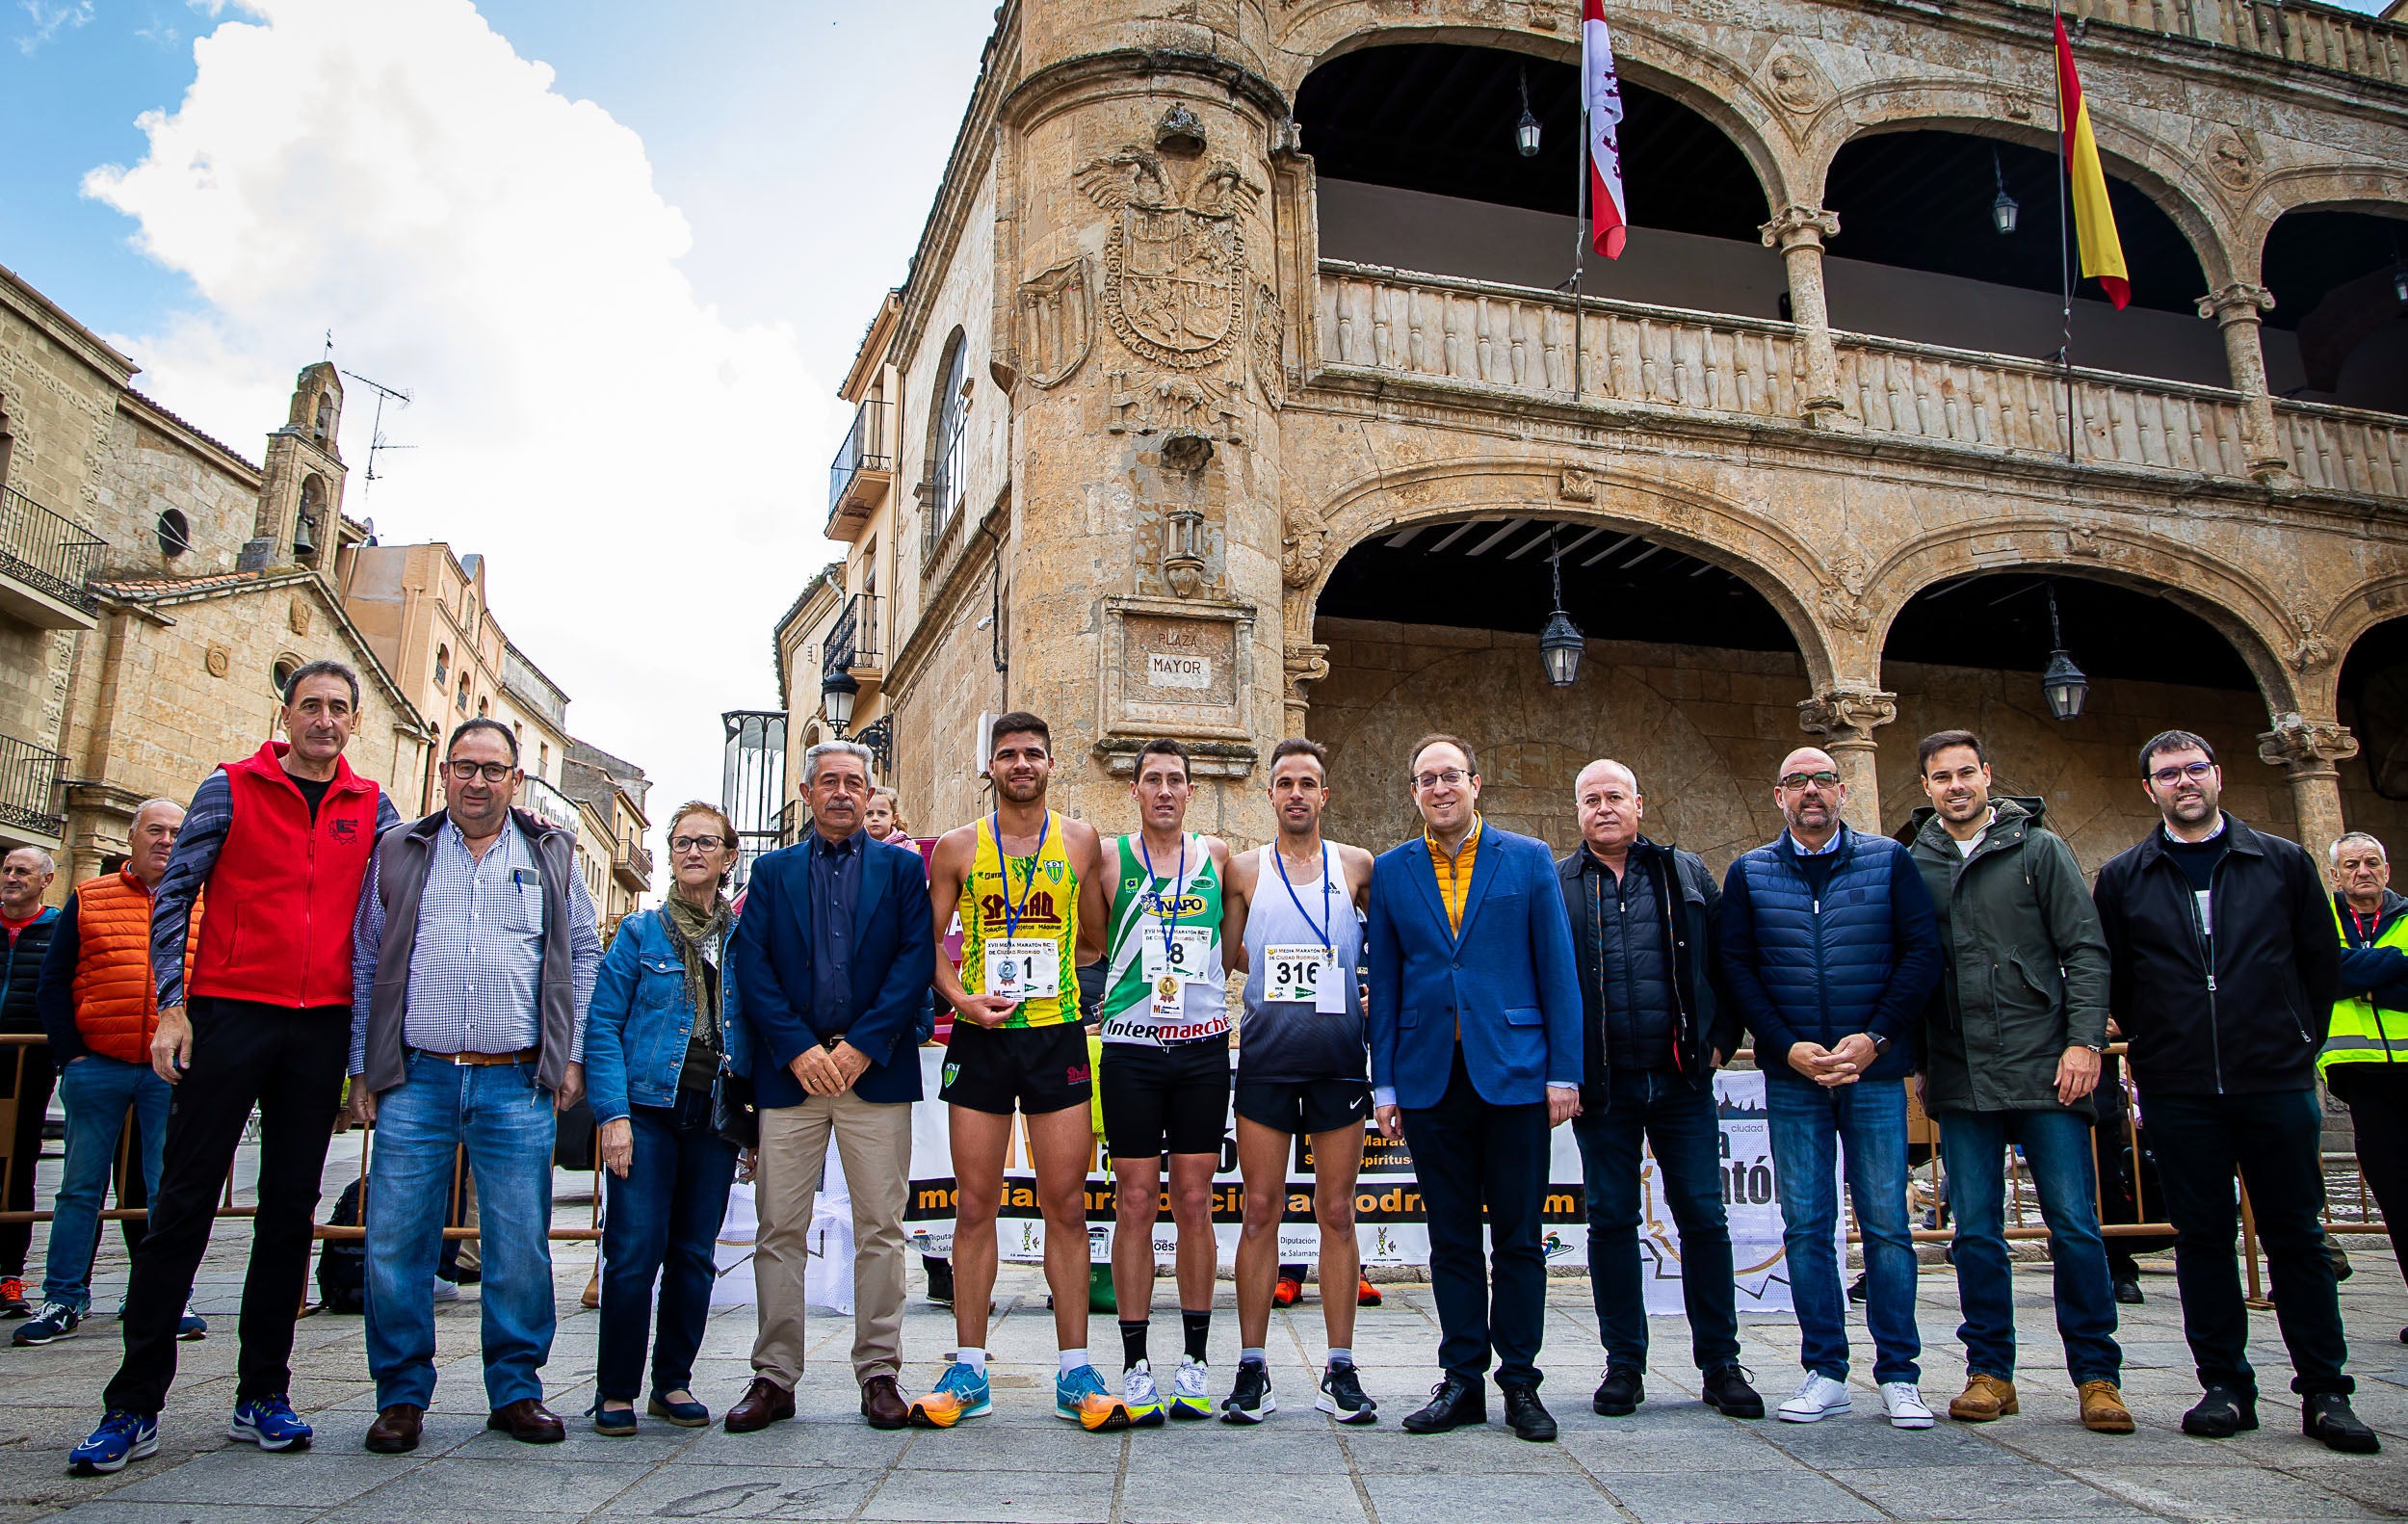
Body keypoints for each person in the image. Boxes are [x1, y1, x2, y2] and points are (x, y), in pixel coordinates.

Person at [70, 662, 402, 1475]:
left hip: (319, 1026)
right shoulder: (230, 787)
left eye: (338, 710)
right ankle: (132, 1404)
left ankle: (263, 1393)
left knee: (289, 1212)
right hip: (229, 1014)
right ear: (286, 714)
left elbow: (391, 915)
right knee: (180, 1205)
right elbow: (175, 894)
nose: (324, 720)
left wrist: (365, 1055)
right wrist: (173, 1006)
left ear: (354, 724)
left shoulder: (374, 808)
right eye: (310, 706)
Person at [2091, 730, 2378, 1452]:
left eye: (2194, 769)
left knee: (2298, 1239)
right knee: (2203, 1240)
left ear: (2218, 776)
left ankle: (2325, 1390)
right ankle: (2224, 1384)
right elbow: (2119, 978)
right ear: (2148, 789)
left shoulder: (2280, 862)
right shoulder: (2125, 878)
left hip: (2273, 1081)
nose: (2182, 782)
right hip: (2181, 1087)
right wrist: (2155, 1052)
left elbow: (2318, 965)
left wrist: (2293, 1045)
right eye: (2167, 773)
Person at [346, 718, 602, 1455]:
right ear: (444, 773)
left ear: (515, 780)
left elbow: (582, 950)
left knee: (520, 1242)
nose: (478, 782)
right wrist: (364, 1063)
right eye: (465, 767)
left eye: (494, 770)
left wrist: (571, 1053)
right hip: (417, 1077)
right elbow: (367, 956)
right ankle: (400, 1397)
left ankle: (516, 1390)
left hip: (515, 1079)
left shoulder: (551, 850)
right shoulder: (401, 849)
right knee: (397, 1239)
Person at [1904, 731, 2132, 1434]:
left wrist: (2084, 1041)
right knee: (1974, 1231)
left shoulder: (2039, 848)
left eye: (1966, 773)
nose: (1955, 786)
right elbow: (1908, 968)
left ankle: (2097, 1376)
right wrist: (1917, 1059)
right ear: (1926, 787)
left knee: (2074, 1225)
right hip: (1962, 1071)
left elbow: (2085, 950)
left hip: (2047, 1068)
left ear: (1988, 776)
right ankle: (1989, 1372)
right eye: (1941, 777)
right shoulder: (1915, 863)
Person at [1368, 734, 1582, 1442]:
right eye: (1426, 779)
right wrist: (1386, 1083)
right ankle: (1461, 1380)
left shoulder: (1526, 859)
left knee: (1518, 1239)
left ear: (1475, 783)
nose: (1439, 789)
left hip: (1516, 1074)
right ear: (1413, 793)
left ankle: (1520, 1383)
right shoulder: (1395, 871)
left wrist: (1563, 1072)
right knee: (1451, 1238)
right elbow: (1389, 985)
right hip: (1430, 1080)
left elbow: (1557, 969)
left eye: (1450, 776)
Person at [1720, 746, 1941, 1430]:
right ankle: (1826, 1370)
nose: (1809, 792)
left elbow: (1920, 953)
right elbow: (1737, 968)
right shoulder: (1751, 873)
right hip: (1794, 1078)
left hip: (1872, 1073)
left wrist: (1872, 1037)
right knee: (1809, 1227)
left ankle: (1900, 1375)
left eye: (1821, 780)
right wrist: (1786, 1047)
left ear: (1843, 791)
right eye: (1795, 782)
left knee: (1886, 1227)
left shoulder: (1888, 862)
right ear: (1777, 796)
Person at [910, 712, 1112, 1430]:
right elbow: (927, 943)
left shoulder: (1081, 840)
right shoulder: (960, 848)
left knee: (1066, 1203)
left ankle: (1075, 1371)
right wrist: (963, 995)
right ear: (989, 768)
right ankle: (968, 1368)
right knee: (974, 1204)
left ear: (1052, 765)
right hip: (981, 1037)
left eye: (1032, 754)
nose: (1020, 764)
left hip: (1054, 1034)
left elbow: (1093, 941)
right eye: (1007, 755)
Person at [728, 742, 936, 1434]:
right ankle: (774, 1377)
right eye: (829, 782)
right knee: (778, 1227)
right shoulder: (773, 871)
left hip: (872, 1075)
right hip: (792, 1077)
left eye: (854, 782)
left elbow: (914, 963)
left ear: (869, 790)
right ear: (807, 792)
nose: (842, 793)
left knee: (882, 1228)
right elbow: (752, 968)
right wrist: (799, 1049)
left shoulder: (905, 872)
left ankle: (880, 1373)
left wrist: (859, 1048)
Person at [1555, 760, 1761, 1421]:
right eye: (1592, 800)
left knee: (1703, 1218)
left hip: (1681, 1081)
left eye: (1615, 796)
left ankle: (1721, 1365)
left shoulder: (1685, 873)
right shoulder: (1559, 884)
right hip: (1603, 1087)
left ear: (1639, 803)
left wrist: (1723, 1041)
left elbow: (1730, 962)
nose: (1604, 808)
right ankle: (1624, 1366)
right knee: (1612, 1221)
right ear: (1578, 811)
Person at [1220, 737, 1378, 1424]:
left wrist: (1368, 991)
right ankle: (1252, 1367)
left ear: (1325, 794)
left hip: (1338, 1060)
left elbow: (1387, 946)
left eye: (1307, 783)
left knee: (1337, 1213)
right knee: (1260, 1211)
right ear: (1270, 794)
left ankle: (1339, 1368)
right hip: (1267, 1060)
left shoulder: (1357, 866)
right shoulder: (1246, 871)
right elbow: (1230, 955)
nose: (1295, 794)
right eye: (1284, 783)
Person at [583, 803, 751, 1434]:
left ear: (728, 856)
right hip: (647, 1112)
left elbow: (754, 1028)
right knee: (632, 1252)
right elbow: (601, 1025)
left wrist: (752, 1127)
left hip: (712, 1117)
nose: (692, 852)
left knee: (693, 1255)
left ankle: (673, 1382)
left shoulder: (743, 939)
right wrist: (613, 1115)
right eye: (682, 842)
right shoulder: (640, 934)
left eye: (706, 842)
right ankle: (616, 1391)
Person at [18, 803, 200, 1348]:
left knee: (166, 1187)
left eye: (176, 832)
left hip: (166, 1071)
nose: (167, 841)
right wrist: (70, 1054)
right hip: (96, 1064)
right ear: (132, 837)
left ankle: (161, 1296)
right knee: (80, 1187)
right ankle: (63, 1297)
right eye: (156, 831)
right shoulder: (90, 898)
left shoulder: (203, 902)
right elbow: (53, 982)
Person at [1096, 738, 1233, 1425]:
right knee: (1134, 1202)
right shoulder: (1110, 858)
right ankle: (1136, 1361)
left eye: (1176, 779)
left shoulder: (1218, 858)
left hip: (1203, 1048)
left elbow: (1234, 945)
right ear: (1134, 789)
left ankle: (1196, 1359)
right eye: (1152, 779)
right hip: (1131, 1049)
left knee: (1196, 1201)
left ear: (1191, 789)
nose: (1165, 791)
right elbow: (1092, 942)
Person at [864, 789, 956, 1308]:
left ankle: (938, 1266)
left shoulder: (906, 869)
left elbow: (918, 949)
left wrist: (922, 1023)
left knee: (924, 1157)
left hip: (905, 1040)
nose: (873, 820)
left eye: (881, 813)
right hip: (849, 1044)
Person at [2324, 830, 2408, 1347]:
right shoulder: (2320, 922)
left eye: (2372, 862)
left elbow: (2346, 975)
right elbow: (2326, 974)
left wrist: (2363, 977)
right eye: (2351, 864)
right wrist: (2395, 967)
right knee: (2397, 1198)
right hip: (2363, 1078)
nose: (2363, 871)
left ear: (2387, 870)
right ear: (2335, 875)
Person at [0, 845, 63, 1320]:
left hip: (27, 1065)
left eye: (23, 870)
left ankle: (9, 1275)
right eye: (7, 869)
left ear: (46, 879)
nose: (12, 877)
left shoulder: (58, 928)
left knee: (17, 1163)